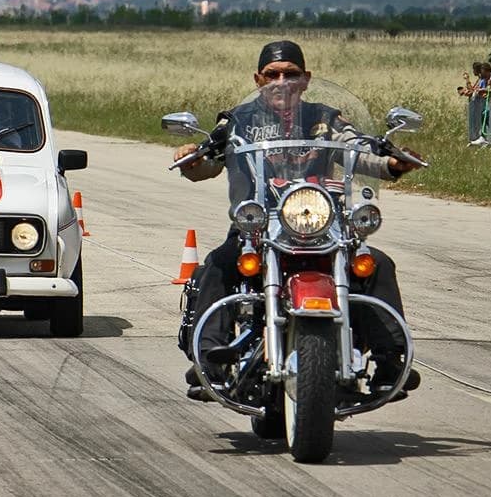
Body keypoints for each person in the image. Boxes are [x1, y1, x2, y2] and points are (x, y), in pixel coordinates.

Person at [172, 40, 423, 396]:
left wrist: (392, 162)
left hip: (320, 225)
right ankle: (209, 362)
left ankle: (389, 360)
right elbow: (210, 163)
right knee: (218, 264)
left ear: (306, 79)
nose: (281, 81)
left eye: (290, 74)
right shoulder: (237, 121)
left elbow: (359, 150)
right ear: (258, 79)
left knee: (376, 264)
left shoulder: (325, 118)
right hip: (258, 227)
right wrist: (193, 158)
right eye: (272, 74)